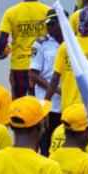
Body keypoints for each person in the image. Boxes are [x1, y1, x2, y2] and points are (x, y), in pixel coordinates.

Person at [0, 0, 50, 97]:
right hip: (41, 67)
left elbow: (1, 41)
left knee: (18, 105)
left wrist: (1, 53)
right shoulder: (48, 11)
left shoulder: (11, 13)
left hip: (18, 67)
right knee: (38, 104)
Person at [30, 11, 63, 154]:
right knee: (46, 148)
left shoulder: (73, 43)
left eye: (52, 24)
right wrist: (55, 89)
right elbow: (33, 74)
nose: (48, 27)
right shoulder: (40, 43)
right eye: (47, 24)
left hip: (67, 104)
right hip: (47, 105)